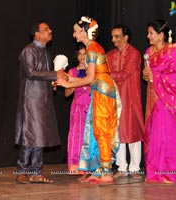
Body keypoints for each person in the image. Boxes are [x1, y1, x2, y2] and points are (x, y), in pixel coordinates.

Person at [57, 16, 121, 183]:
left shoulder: (92, 48)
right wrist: (67, 81)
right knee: (96, 130)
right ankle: (100, 170)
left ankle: (106, 172)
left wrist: (68, 83)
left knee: (101, 130)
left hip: (102, 90)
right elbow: (90, 77)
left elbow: (91, 77)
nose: (73, 34)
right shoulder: (93, 47)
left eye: (76, 31)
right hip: (99, 89)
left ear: (85, 32)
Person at [14, 21, 66, 184]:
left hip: (42, 100)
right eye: (46, 29)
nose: (50, 31)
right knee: (30, 136)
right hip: (31, 100)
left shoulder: (45, 52)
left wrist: (56, 80)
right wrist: (55, 74)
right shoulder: (29, 50)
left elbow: (44, 75)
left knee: (39, 137)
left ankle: (36, 172)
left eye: (50, 28)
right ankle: (22, 171)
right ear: (36, 34)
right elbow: (30, 72)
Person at [142, 19, 176, 183]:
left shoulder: (172, 51)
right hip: (153, 98)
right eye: (148, 33)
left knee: (169, 135)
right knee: (155, 136)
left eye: (151, 33)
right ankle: (156, 172)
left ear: (161, 35)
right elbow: (147, 75)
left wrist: (154, 76)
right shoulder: (149, 51)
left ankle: (172, 173)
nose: (148, 36)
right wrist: (146, 75)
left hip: (169, 100)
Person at [106, 25, 144, 179]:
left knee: (132, 132)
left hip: (130, 97)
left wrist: (105, 74)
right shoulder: (109, 55)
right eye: (112, 37)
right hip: (113, 97)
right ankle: (122, 167)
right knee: (118, 131)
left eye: (117, 36)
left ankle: (135, 168)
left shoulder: (134, 53)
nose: (113, 39)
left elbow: (125, 73)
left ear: (126, 37)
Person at [65, 44, 91, 179]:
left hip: (91, 108)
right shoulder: (73, 71)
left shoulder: (94, 71)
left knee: (91, 139)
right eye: (80, 54)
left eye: (85, 54)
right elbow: (67, 93)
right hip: (78, 109)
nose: (82, 57)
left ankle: (91, 168)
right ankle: (78, 167)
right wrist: (72, 82)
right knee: (77, 138)